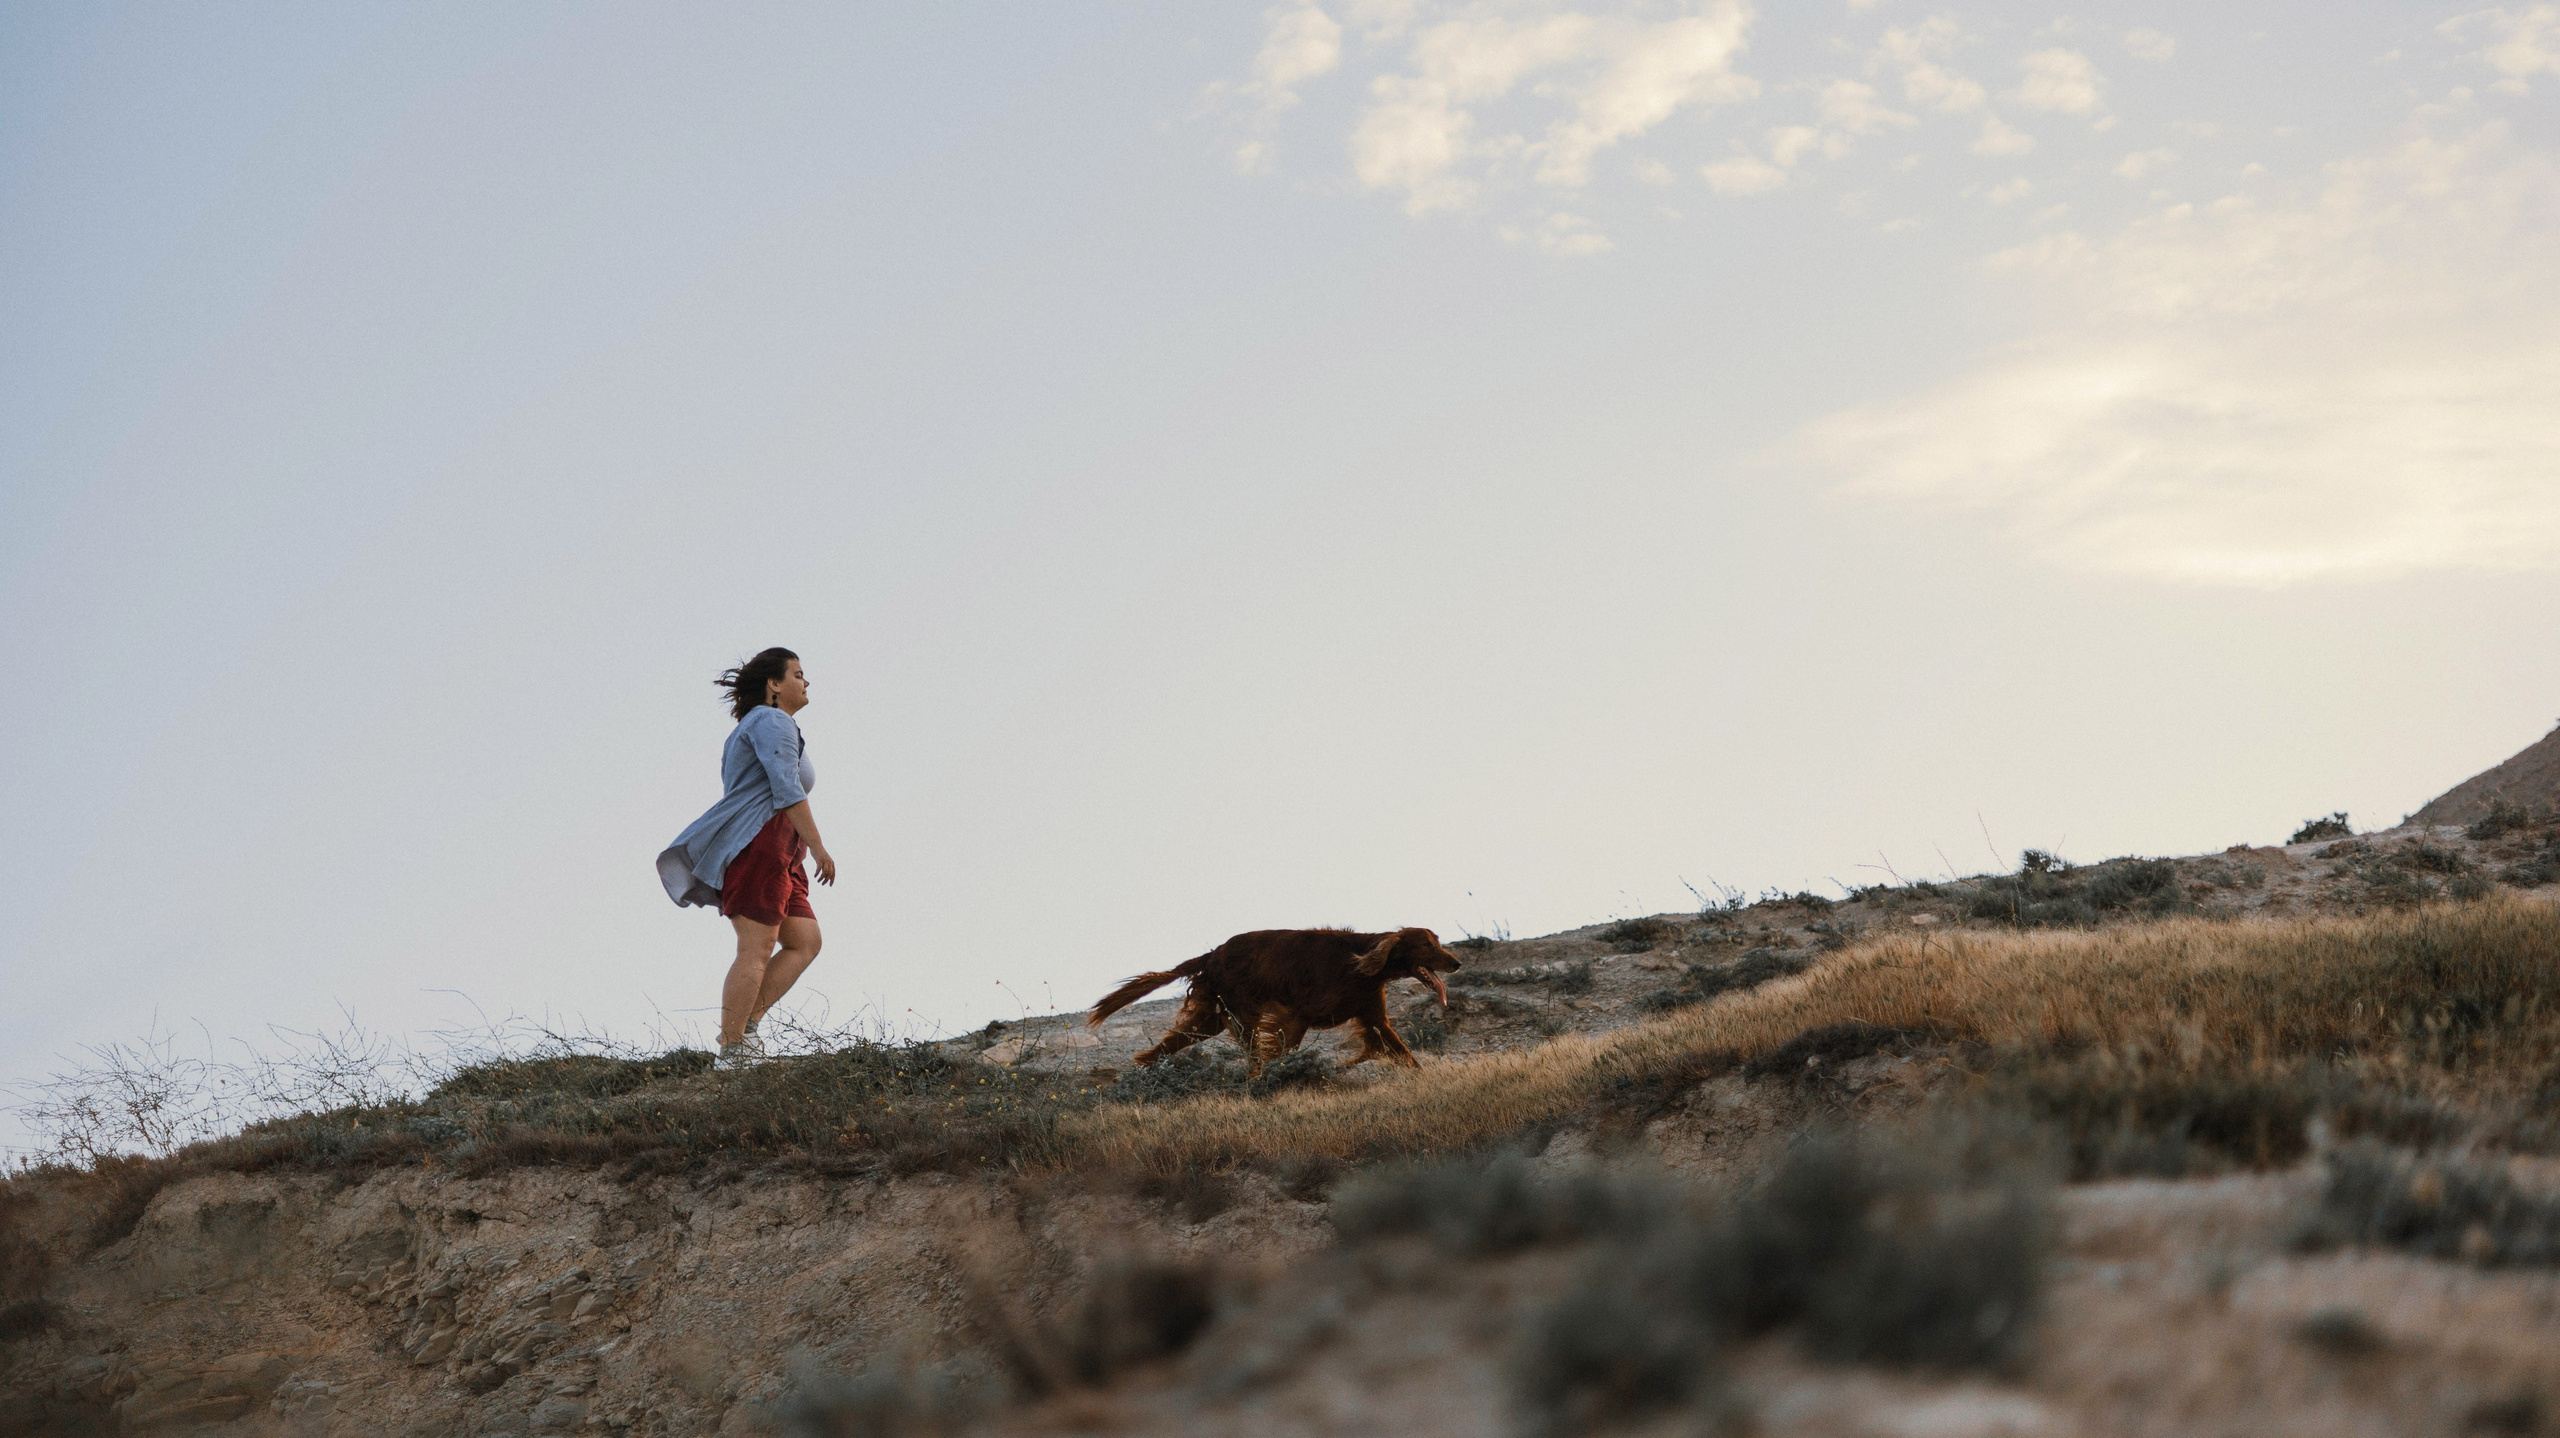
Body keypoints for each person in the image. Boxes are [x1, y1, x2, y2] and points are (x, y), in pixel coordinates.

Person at [656, 648, 839, 1069]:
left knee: (805, 941)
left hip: (782, 850)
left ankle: (744, 1029)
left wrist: (801, 846)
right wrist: (819, 846)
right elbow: (787, 787)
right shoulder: (771, 720)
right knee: (755, 949)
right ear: (774, 685)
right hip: (762, 844)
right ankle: (734, 1050)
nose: (805, 682)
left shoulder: (769, 724)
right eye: (797, 674)